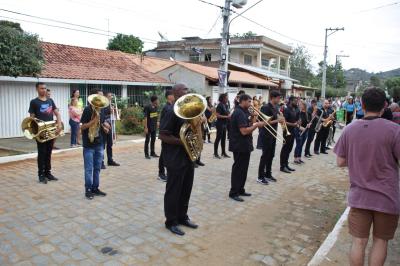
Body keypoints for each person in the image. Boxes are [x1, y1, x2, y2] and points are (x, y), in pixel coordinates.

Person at [334, 88, 400, 266]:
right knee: (380, 241)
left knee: (358, 242)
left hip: (360, 198)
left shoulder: (350, 129)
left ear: (362, 105)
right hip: (387, 198)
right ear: (384, 106)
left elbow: (340, 162)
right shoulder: (395, 130)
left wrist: (359, 159)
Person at [159, 83, 198, 236]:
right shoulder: (170, 111)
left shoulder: (187, 111)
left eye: (188, 90)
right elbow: (163, 135)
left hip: (188, 157)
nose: (187, 93)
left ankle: (183, 217)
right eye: (184, 91)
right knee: (174, 191)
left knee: (186, 189)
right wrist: (183, 141)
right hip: (175, 158)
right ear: (175, 93)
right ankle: (171, 221)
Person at [229, 94, 265, 202]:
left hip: (245, 145)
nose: (251, 104)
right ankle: (233, 192)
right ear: (243, 101)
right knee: (238, 169)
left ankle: (240, 189)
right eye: (249, 102)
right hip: (239, 145)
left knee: (244, 169)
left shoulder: (245, 111)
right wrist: (256, 126)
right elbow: (244, 131)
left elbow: (250, 124)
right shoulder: (239, 112)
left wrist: (254, 118)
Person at [29, 82, 63, 184]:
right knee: (42, 153)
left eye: (45, 88)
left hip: (51, 130)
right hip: (40, 132)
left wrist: (59, 124)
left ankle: (48, 173)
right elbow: (31, 117)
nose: (43, 90)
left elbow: (57, 113)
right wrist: (36, 128)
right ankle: (41, 174)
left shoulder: (50, 100)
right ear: (37, 89)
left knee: (49, 152)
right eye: (41, 88)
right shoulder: (34, 102)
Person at [80, 90, 110, 200]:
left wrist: (105, 127)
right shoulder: (88, 110)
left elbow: (101, 123)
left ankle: (95, 188)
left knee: (97, 168)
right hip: (88, 145)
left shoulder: (101, 110)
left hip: (99, 143)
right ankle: (88, 189)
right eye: (99, 97)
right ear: (94, 98)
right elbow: (82, 127)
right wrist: (92, 122)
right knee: (89, 169)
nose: (102, 100)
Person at [256, 90, 282, 185]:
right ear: (273, 98)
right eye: (278, 98)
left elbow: (276, 119)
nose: (279, 100)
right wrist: (277, 121)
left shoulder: (275, 107)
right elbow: (262, 122)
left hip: (273, 134)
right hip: (266, 134)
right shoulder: (265, 107)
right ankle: (260, 176)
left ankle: (268, 174)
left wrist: (280, 119)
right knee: (265, 156)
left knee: (271, 155)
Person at [158, 90, 175, 182]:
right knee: (163, 154)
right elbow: (163, 122)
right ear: (169, 96)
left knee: (166, 154)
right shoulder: (167, 107)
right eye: (173, 95)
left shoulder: (171, 106)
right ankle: (161, 173)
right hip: (165, 134)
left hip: (168, 134)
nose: (174, 96)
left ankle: (167, 173)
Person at [279, 96, 298, 173]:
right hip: (287, 132)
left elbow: (294, 120)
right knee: (285, 149)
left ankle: (286, 164)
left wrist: (297, 122)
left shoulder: (293, 109)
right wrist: (293, 124)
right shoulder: (286, 110)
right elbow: (284, 121)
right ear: (291, 101)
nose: (296, 102)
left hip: (292, 131)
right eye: (295, 101)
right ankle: (282, 166)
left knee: (289, 149)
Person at [101, 92, 120, 168]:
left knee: (110, 144)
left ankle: (110, 160)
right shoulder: (102, 105)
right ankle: (101, 162)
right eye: (109, 96)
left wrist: (114, 112)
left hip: (110, 125)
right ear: (105, 97)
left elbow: (112, 116)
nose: (110, 97)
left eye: (111, 96)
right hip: (104, 126)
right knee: (102, 145)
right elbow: (102, 116)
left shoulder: (110, 104)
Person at [214, 93, 230, 159]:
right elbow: (217, 115)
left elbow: (227, 113)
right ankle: (215, 153)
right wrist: (227, 116)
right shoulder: (219, 105)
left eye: (227, 98)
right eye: (226, 98)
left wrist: (229, 115)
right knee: (218, 138)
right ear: (222, 98)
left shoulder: (225, 105)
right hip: (220, 124)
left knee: (223, 139)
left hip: (224, 124)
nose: (227, 99)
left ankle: (223, 152)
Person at [293, 100, 309, 164]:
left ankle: (299, 158)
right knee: (298, 144)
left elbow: (308, 121)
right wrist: (300, 128)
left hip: (305, 131)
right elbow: (295, 123)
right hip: (298, 130)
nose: (300, 105)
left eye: (301, 104)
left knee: (301, 144)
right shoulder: (298, 113)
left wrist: (308, 125)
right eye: (299, 104)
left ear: (304, 105)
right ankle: (295, 158)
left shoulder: (306, 113)